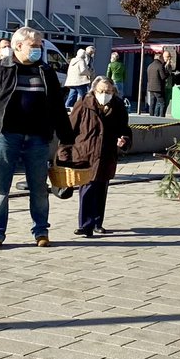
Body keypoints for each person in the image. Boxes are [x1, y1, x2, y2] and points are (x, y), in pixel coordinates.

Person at [0, 26, 72, 249]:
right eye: (34, 45)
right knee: (0, 188)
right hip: (7, 136)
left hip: (38, 137)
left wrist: (66, 137)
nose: (38, 49)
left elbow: (57, 106)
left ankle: (41, 231)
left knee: (39, 188)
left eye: (40, 45)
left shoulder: (45, 71)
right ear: (18, 46)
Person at [59, 75, 131, 238]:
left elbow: (124, 129)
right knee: (87, 187)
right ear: (94, 90)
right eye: (102, 91)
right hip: (85, 153)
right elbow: (70, 129)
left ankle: (97, 222)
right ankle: (85, 224)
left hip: (107, 154)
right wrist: (64, 153)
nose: (105, 94)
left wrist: (124, 140)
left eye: (109, 91)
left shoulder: (118, 105)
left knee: (100, 188)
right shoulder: (83, 103)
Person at [145, 52, 168, 117]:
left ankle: (151, 116)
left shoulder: (150, 65)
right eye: (162, 58)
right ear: (160, 58)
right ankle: (161, 117)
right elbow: (163, 77)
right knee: (162, 103)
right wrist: (168, 74)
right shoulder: (160, 66)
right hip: (158, 88)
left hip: (150, 87)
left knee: (152, 103)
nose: (163, 59)